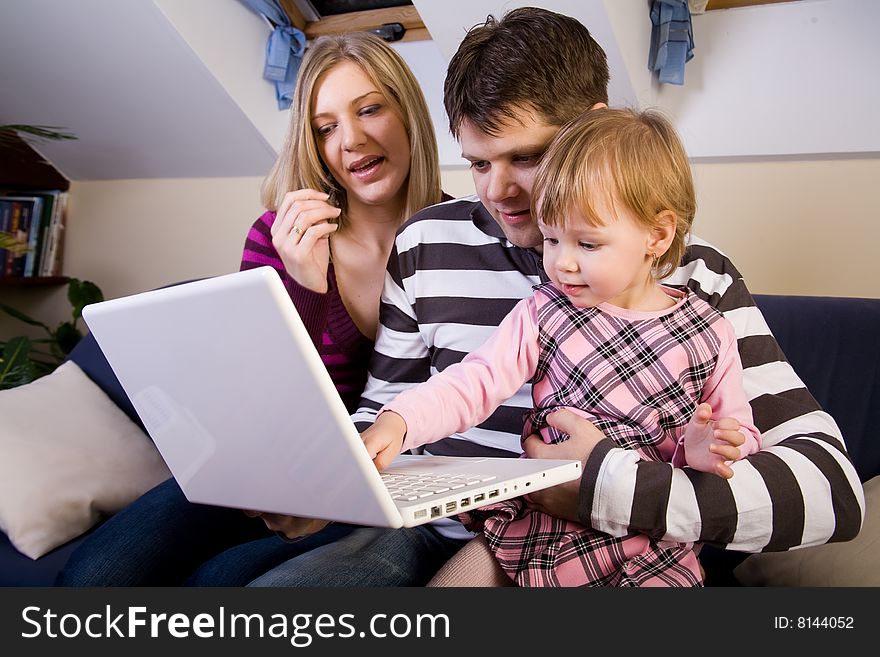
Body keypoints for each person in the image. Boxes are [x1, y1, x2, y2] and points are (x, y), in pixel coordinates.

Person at [246, 7, 863, 588]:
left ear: (595, 126)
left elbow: (831, 492)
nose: (501, 192)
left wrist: (609, 488)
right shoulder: (425, 242)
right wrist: (328, 488)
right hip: (426, 529)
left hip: (615, 543)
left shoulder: (690, 274)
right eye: (479, 164)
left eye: (528, 157)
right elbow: (385, 410)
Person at [55, 31, 444, 586]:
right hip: (258, 469)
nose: (351, 141)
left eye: (370, 109)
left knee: (219, 581)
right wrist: (308, 286)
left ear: (408, 113)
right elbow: (260, 400)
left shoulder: (457, 237)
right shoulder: (278, 236)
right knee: (95, 578)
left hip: (371, 481)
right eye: (326, 127)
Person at [362, 108, 761, 587]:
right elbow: (473, 381)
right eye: (551, 239)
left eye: (587, 244)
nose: (562, 264)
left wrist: (706, 450)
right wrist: (401, 419)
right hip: (537, 525)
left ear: (657, 235)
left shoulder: (707, 332)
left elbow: (740, 433)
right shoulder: (543, 311)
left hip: (647, 543)